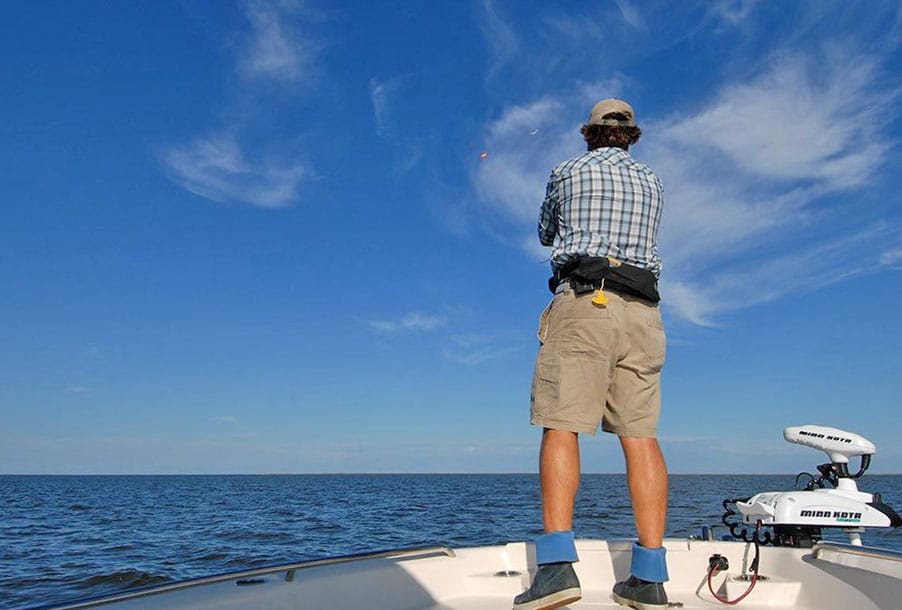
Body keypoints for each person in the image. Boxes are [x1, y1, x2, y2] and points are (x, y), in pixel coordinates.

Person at [513, 99, 669, 610]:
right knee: (641, 437)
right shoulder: (653, 182)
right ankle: (648, 580)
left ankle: (557, 570)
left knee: (562, 424)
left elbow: (545, 233)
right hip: (643, 313)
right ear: (632, 136)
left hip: (587, 300)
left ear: (589, 133)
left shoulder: (567, 170)